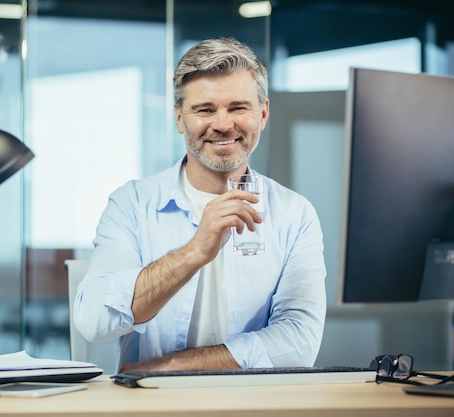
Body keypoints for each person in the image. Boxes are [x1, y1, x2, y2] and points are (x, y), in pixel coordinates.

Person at [73, 37, 326, 373]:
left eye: (238, 108)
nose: (222, 124)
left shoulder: (295, 214)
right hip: (154, 406)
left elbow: (299, 343)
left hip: (253, 405)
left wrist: (177, 364)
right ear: (179, 118)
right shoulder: (131, 205)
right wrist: (193, 253)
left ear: (262, 114)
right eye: (205, 109)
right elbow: (92, 322)